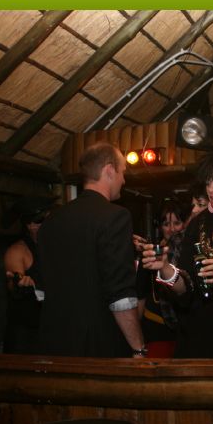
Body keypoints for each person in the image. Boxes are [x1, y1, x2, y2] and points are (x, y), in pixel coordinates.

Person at [36, 143, 145, 358]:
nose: (124, 180)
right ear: (109, 170)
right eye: (122, 172)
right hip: (98, 348)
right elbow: (120, 296)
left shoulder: (51, 222)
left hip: (54, 346)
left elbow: (41, 292)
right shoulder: (115, 217)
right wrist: (138, 348)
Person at [140, 147, 213, 358]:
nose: (211, 188)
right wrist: (164, 268)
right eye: (208, 182)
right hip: (195, 338)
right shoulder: (199, 224)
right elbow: (186, 289)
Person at [3, 196, 54, 354]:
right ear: (30, 225)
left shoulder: (57, 247)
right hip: (26, 335)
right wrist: (19, 283)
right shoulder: (18, 251)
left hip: (52, 329)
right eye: (42, 220)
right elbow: (14, 281)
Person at [135, 200, 186, 358]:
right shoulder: (151, 254)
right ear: (159, 227)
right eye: (166, 224)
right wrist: (137, 342)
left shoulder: (188, 252)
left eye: (177, 223)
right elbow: (140, 296)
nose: (171, 229)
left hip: (186, 329)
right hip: (156, 330)